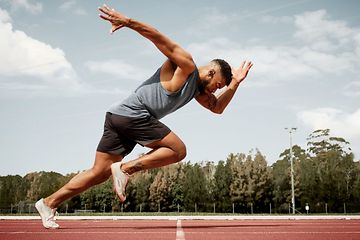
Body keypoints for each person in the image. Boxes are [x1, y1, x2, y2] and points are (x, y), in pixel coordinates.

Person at [35, 4, 253, 229]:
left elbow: (217, 108)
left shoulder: (198, 91)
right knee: (178, 150)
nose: (214, 92)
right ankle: (126, 169)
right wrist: (128, 22)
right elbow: (158, 37)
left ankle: (48, 203)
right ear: (210, 73)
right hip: (133, 114)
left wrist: (235, 83)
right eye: (217, 85)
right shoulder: (186, 65)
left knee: (98, 173)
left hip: (117, 115)